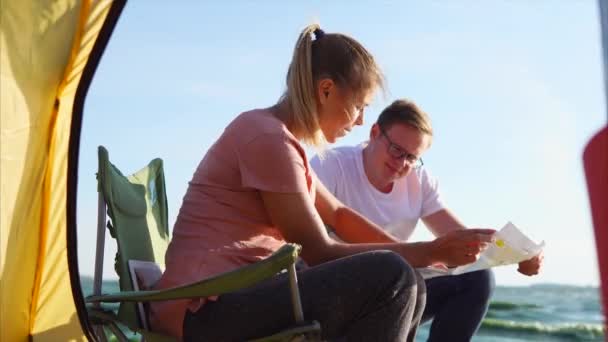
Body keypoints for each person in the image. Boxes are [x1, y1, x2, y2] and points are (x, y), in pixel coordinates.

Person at [149, 24, 496, 342]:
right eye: (359, 107)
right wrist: (428, 251)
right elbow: (318, 250)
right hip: (202, 310)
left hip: (237, 294)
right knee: (392, 275)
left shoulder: (283, 142)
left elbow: (340, 215)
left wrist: (423, 260)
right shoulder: (266, 138)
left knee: (411, 281)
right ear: (326, 90)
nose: (361, 121)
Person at [310, 99, 544, 342]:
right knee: (397, 272)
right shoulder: (331, 166)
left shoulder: (420, 180)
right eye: (396, 150)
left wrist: (521, 253)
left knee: (477, 278)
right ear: (375, 133)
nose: (401, 163)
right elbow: (314, 241)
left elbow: (463, 240)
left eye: (411, 157)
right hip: (339, 292)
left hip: (396, 287)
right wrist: (423, 254)